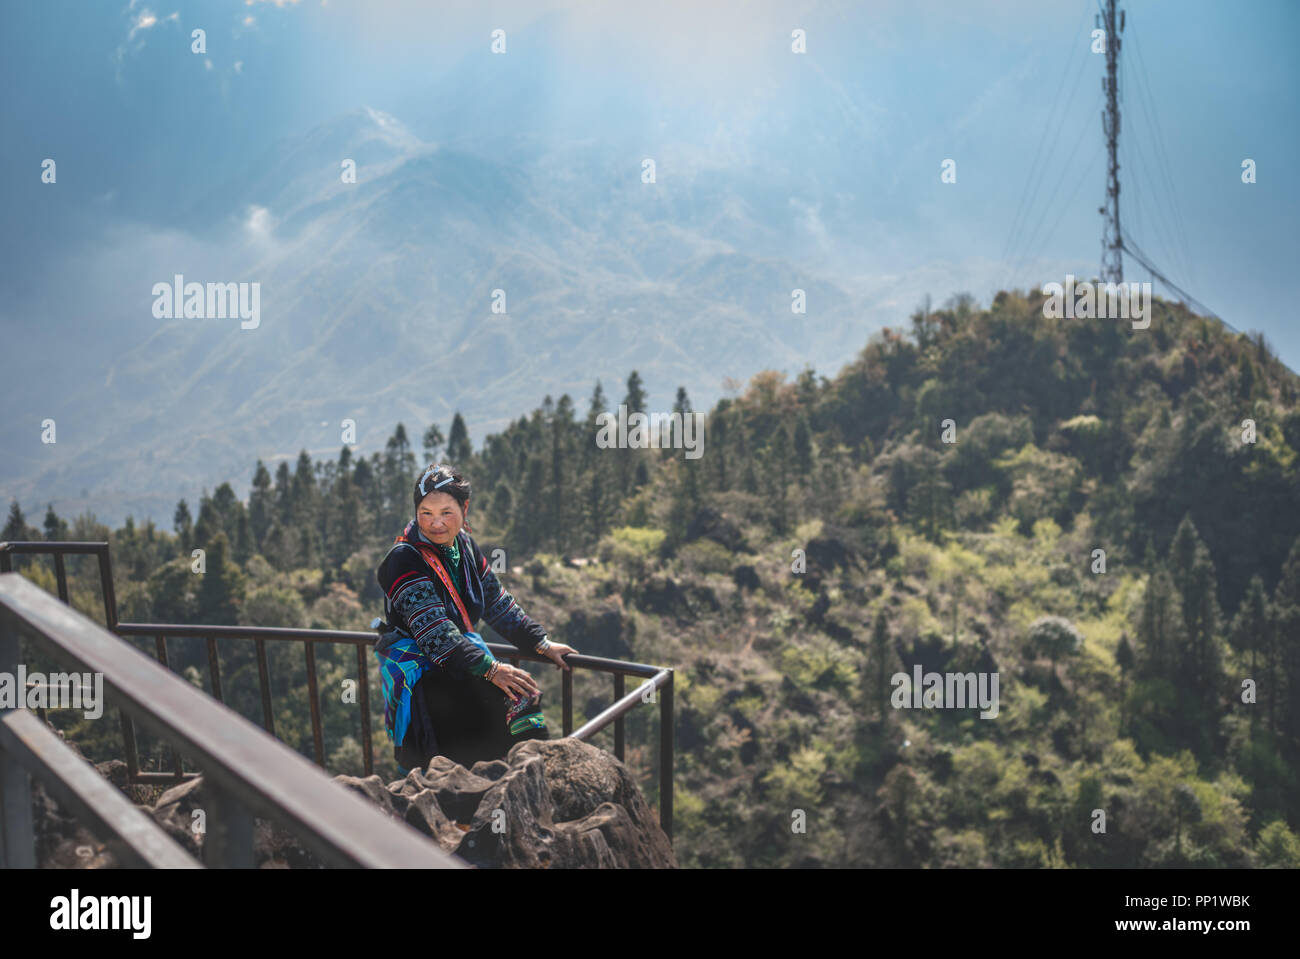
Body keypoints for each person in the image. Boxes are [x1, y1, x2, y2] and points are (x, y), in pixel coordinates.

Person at [373, 463, 578, 775]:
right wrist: (491, 669)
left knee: (516, 699)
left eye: (446, 512)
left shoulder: (464, 545)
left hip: (459, 661)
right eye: (425, 512)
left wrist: (540, 642)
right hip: (427, 670)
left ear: (464, 508)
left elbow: (496, 602)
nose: (435, 523)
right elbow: (436, 634)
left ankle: (528, 789)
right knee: (494, 709)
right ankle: (496, 799)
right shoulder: (405, 559)